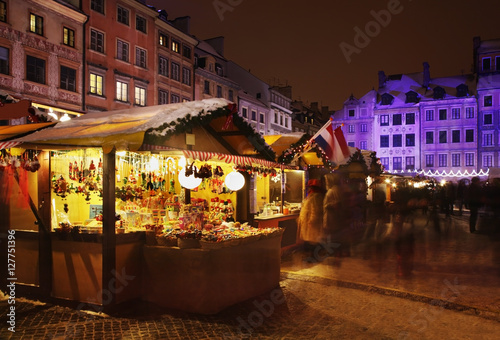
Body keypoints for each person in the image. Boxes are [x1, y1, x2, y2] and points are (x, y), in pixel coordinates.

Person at [298, 179, 325, 250]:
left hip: (312, 223)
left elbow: (315, 210)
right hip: (308, 222)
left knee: (313, 240)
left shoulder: (316, 196)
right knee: (310, 240)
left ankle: (314, 257)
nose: (309, 188)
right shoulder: (311, 195)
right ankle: (311, 256)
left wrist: (312, 221)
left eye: (310, 187)